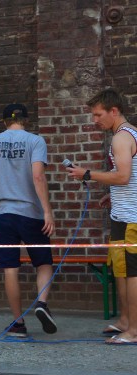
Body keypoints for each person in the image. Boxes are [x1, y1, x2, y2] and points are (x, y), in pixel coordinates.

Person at [0, 103, 57, 338]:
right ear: (26, 120)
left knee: (10, 268)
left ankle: (18, 323)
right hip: (31, 214)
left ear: (4, 122)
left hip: (3, 215)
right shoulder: (35, 141)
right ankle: (41, 303)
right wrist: (47, 211)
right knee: (43, 263)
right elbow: (38, 176)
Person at [67, 88, 137, 344]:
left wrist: (88, 174)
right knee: (120, 270)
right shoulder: (127, 135)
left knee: (132, 273)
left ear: (114, 111)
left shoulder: (121, 138)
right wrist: (113, 195)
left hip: (133, 218)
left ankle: (134, 331)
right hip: (123, 213)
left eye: (98, 115)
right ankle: (125, 321)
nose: (95, 120)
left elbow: (123, 176)